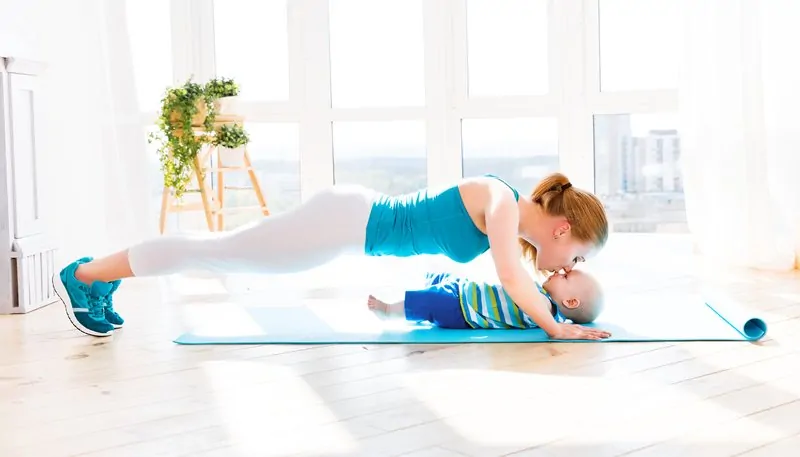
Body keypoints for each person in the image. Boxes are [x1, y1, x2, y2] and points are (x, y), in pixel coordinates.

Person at [53, 172, 611, 340]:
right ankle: (84, 274)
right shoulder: (502, 202)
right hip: (344, 223)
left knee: (220, 255)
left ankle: (100, 277)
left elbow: (517, 274)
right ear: (562, 228)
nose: (568, 268)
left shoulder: (506, 205)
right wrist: (556, 330)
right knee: (216, 254)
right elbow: (511, 277)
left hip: (347, 224)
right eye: (577, 256)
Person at [367, 268, 605, 334]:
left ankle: (389, 310)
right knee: (443, 278)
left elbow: (516, 276)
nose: (557, 272)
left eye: (564, 276)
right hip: (464, 291)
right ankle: (421, 293)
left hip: (462, 310)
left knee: (430, 301)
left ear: (571, 301)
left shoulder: (543, 307)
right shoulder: (544, 302)